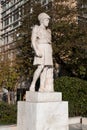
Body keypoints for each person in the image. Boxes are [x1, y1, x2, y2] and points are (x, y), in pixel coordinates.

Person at [30, 12, 54, 92]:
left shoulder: (48, 31)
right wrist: (36, 50)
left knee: (46, 68)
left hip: (48, 49)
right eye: (47, 20)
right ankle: (33, 84)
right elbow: (33, 40)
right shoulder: (36, 28)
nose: (48, 21)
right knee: (40, 67)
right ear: (42, 20)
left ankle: (42, 87)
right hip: (41, 47)